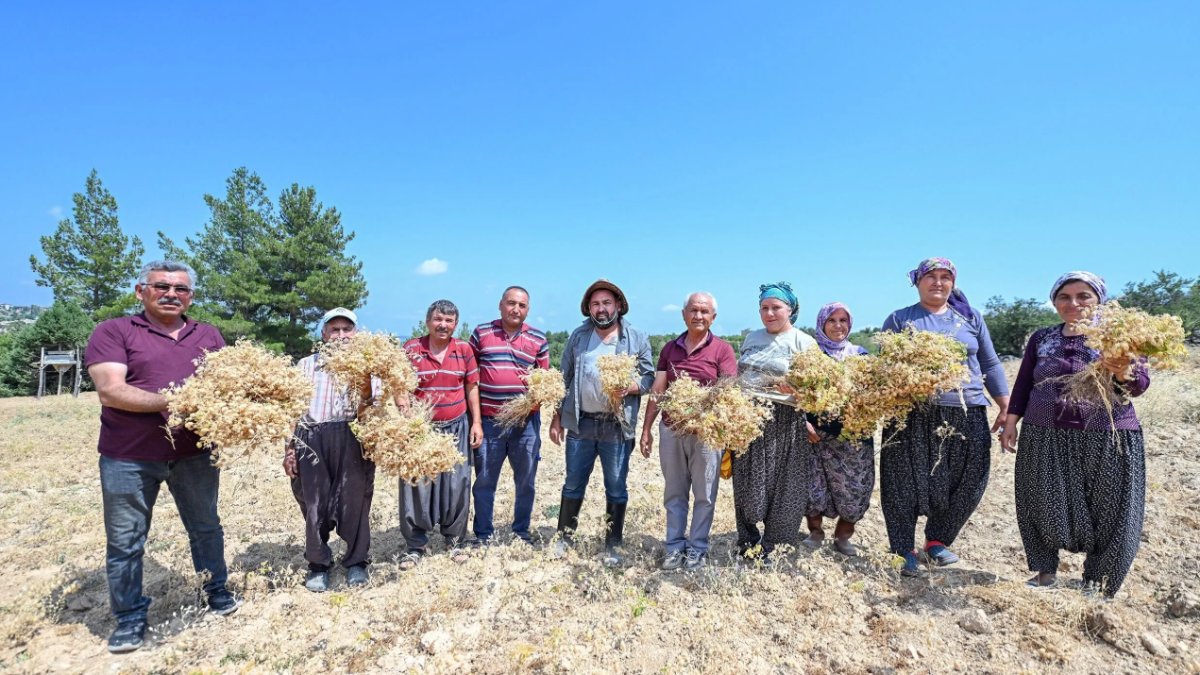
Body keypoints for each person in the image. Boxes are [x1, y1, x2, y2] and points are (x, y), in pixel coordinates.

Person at [85, 260, 239, 654]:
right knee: (126, 540)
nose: (172, 294)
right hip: (129, 456)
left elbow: (228, 386)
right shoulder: (115, 331)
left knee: (206, 526)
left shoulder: (208, 334)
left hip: (195, 454)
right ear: (141, 291)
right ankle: (130, 618)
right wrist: (177, 401)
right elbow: (111, 390)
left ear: (191, 297)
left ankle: (216, 590)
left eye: (181, 289)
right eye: (161, 286)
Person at [1001, 272, 1148, 597]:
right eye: (1064, 297)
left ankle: (1098, 583)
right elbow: (1025, 381)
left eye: (1084, 296)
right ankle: (1044, 571)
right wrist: (1012, 420)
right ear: (1054, 302)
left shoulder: (1119, 337)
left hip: (1108, 434)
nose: (1073, 303)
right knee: (1039, 499)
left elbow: (1140, 385)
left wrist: (1124, 371)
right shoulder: (1042, 338)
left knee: (1113, 507)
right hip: (1044, 433)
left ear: (1099, 300)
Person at [880, 258, 1010, 576]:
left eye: (945, 277)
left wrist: (1006, 407)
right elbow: (885, 367)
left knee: (969, 478)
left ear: (953, 282)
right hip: (913, 412)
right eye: (930, 277)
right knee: (902, 482)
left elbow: (990, 364)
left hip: (967, 409)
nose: (938, 283)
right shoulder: (900, 319)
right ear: (917, 282)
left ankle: (937, 541)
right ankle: (903, 549)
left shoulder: (969, 317)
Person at [549, 280, 654, 565]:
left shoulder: (635, 337)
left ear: (618, 305)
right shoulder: (579, 336)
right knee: (573, 484)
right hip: (581, 423)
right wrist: (556, 418)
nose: (601, 309)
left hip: (617, 425)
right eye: (596, 304)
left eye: (607, 303)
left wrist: (629, 387)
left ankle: (613, 543)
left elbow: (648, 378)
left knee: (616, 486)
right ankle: (565, 537)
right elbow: (564, 377)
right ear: (589, 308)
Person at [640, 292, 738, 570]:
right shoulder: (670, 349)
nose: (698, 316)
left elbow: (729, 392)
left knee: (705, 493)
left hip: (707, 434)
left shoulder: (722, 350)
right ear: (684, 315)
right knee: (675, 491)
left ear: (713, 317)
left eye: (704, 311)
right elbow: (658, 391)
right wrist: (647, 428)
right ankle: (673, 546)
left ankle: (697, 548)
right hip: (672, 430)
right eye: (693, 310)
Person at [283, 308, 377, 593]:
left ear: (355, 334)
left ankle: (356, 561)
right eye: (333, 329)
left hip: (352, 435)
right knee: (314, 502)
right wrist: (289, 448)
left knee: (355, 501)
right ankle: (318, 563)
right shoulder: (305, 366)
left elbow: (371, 410)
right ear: (323, 334)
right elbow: (291, 409)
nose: (340, 335)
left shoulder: (368, 367)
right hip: (311, 436)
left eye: (346, 329)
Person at [732, 282, 817, 565]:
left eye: (776, 308)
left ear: (790, 310)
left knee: (784, 484)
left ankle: (775, 547)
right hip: (749, 418)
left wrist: (796, 393)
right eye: (764, 308)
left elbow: (820, 389)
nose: (769, 313)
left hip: (786, 419)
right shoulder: (751, 338)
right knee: (747, 481)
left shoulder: (803, 343)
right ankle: (748, 541)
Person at [399, 300, 483, 568]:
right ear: (428, 321)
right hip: (421, 428)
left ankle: (455, 540)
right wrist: (405, 411)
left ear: (455, 324)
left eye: (448, 321)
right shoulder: (411, 349)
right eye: (438, 319)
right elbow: (398, 384)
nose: (443, 325)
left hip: (456, 426)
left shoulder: (464, 350)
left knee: (457, 484)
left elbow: (471, 387)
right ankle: (416, 545)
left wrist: (476, 423)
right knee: (416, 485)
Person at [469, 286, 550, 544]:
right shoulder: (481, 333)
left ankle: (520, 531)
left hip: (525, 424)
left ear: (528, 309)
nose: (516, 309)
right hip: (490, 422)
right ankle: (483, 534)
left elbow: (544, 380)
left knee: (525, 481)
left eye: (522, 305)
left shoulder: (538, 339)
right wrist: (477, 422)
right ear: (500, 305)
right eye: (511, 303)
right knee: (484, 480)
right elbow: (470, 375)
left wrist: (535, 402)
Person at [803, 302, 874, 557]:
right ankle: (815, 532)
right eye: (831, 320)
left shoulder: (861, 356)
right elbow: (796, 394)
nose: (838, 326)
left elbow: (874, 394)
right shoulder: (809, 356)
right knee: (813, 486)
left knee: (855, 487)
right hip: (816, 436)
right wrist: (803, 420)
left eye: (843, 320)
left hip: (854, 436)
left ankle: (843, 537)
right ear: (822, 324)